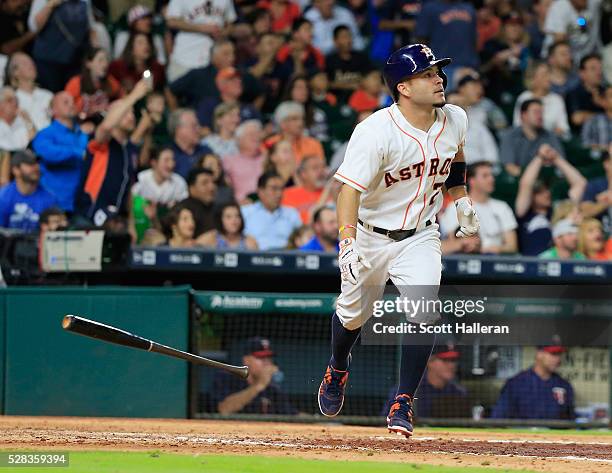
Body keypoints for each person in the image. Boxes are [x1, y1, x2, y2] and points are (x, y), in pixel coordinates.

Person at [317, 44, 480, 437]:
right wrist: (347, 243)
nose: (439, 78)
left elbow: (455, 158)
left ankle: (403, 401)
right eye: (428, 74)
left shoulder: (455, 117)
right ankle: (338, 367)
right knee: (353, 314)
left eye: (438, 71)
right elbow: (348, 192)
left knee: (423, 309)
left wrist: (460, 201)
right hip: (372, 234)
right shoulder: (375, 131)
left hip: (421, 235)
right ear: (403, 87)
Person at [75, 79, 151, 226]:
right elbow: (106, 127)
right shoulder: (102, 142)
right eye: (125, 112)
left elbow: (129, 189)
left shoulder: (128, 149)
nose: (131, 116)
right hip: (89, 216)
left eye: (132, 112)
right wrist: (134, 96)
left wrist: (131, 224)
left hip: (115, 221)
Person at [515, 146, 586, 256]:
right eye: (540, 192)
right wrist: (540, 157)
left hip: (557, 262)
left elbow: (580, 183)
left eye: (547, 190)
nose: (547, 194)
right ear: (532, 196)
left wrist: (556, 158)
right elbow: (526, 184)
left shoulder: (557, 212)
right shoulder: (524, 214)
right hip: (530, 266)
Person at [440, 161, 516, 255]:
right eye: (485, 176)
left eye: (491, 175)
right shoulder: (456, 206)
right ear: (472, 181)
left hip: (496, 259)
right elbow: (452, 241)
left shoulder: (502, 207)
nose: (491, 179)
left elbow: (512, 246)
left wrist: (497, 249)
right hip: (466, 258)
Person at [31, 91, 89, 213]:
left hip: (80, 202)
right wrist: (77, 153)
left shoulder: (83, 135)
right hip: (54, 204)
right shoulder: (45, 134)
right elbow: (48, 153)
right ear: (53, 110)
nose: (71, 105)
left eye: (73, 102)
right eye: (65, 102)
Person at [212, 337, 297, 415]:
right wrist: (259, 386)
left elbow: (293, 415)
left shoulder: (272, 389)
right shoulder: (226, 377)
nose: (266, 363)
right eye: (261, 358)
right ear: (246, 360)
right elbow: (224, 409)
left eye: (269, 358)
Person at [491, 342, 575, 420]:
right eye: (553, 354)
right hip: (522, 434)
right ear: (539, 354)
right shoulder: (516, 384)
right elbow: (499, 418)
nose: (558, 359)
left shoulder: (564, 385)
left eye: (559, 355)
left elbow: (570, 420)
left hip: (554, 434)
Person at [165, 0, 237, 82]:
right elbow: (171, 21)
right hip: (185, 57)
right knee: (178, 90)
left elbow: (231, 23)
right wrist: (201, 28)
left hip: (214, 62)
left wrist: (223, 33)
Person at [28, 0, 92, 92]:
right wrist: (50, 5)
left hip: (75, 59)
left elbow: (90, 28)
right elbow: (34, 27)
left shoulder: (85, 1)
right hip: (48, 61)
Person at [130, 146, 188, 243]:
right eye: (166, 160)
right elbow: (130, 201)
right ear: (154, 163)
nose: (171, 164)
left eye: (172, 160)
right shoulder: (141, 178)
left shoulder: (179, 182)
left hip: (167, 227)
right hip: (142, 223)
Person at [415, 0, 479, 86]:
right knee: (443, 98)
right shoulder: (430, 8)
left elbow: (474, 39)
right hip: (442, 66)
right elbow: (421, 40)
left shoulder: (469, 8)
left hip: (468, 65)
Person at [499, 99, 565, 177]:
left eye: (541, 112)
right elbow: (509, 167)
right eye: (536, 112)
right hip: (521, 182)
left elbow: (561, 163)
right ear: (523, 115)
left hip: (547, 180)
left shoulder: (549, 136)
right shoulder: (510, 136)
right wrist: (531, 178)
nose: (540, 116)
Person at [241, 172, 302, 250]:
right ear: (260, 191)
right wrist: (243, 240)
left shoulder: (291, 213)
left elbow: (302, 238)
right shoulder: (245, 212)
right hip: (255, 258)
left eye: (281, 189)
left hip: (286, 257)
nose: (279, 194)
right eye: (274, 189)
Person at [0, 150, 57, 231]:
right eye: (30, 164)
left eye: (37, 163)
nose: (36, 167)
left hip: (36, 243)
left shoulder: (49, 198)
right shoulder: (3, 197)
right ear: (16, 170)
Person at [64, 48, 123, 126]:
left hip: (102, 123)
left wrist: (112, 106)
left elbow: (123, 97)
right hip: (80, 123)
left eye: (106, 60)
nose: (105, 64)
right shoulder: (76, 82)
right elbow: (65, 107)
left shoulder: (110, 81)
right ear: (89, 63)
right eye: (100, 60)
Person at [512, 62, 570, 138]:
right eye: (545, 75)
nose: (549, 78)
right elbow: (518, 125)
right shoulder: (524, 98)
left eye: (549, 74)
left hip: (551, 142)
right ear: (533, 79)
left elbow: (563, 129)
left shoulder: (557, 99)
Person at [5, 52, 53, 130]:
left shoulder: (48, 95)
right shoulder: (12, 99)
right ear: (15, 72)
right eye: (25, 63)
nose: (31, 64)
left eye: (31, 61)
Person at [222, 120, 266, 203]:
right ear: (239, 139)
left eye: (257, 134)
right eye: (251, 134)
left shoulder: (266, 159)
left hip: (268, 203)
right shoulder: (229, 161)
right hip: (243, 204)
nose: (256, 137)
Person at [325, 25, 373, 100]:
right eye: (344, 37)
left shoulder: (361, 58)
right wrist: (349, 86)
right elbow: (326, 83)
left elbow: (372, 76)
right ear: (335, 41)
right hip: (337, 99)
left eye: (349, 36)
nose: (348, 40)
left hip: (362, 97)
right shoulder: (329, 60)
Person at [282, 155, 329, 223]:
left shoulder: (332, 193)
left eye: (323, 167)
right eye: (315, 168)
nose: (321, 171)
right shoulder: (287, 194)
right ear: (303, 174)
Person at [566, 54, 605, 130]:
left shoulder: (606, 91)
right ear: (582, 73)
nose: (598, 72)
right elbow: (577, 118)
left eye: (600, 68)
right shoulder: (574, 94)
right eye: (593, 69)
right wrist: (605, 116)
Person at [168, 108, 211, 178]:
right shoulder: (168, 154)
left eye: (198, 125)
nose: (199, 129)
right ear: (179, 129)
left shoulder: (206, 151)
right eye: (194, 126)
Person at [178, 167, 217, 237]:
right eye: (205, 183)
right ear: (191, 188)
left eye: (213, 182)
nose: (212, 187)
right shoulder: (181, 209)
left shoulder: (219, 209)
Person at [580, 148, 612, 233]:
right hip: (603, 236)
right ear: (606, 164)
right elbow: (585, 213)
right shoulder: (595, 185)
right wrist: (606, 202)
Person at [0, 86, 36, 151]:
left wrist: (27, 119)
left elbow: (34, 139)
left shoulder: (21, 124)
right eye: (9, 100)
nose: (15, 103)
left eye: (16, 100)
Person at [581, 85, 612, 151]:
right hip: (600, 158)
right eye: (611, 96)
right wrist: (601, 148)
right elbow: (584, 143)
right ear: (603, 101)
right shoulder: (593, 120)